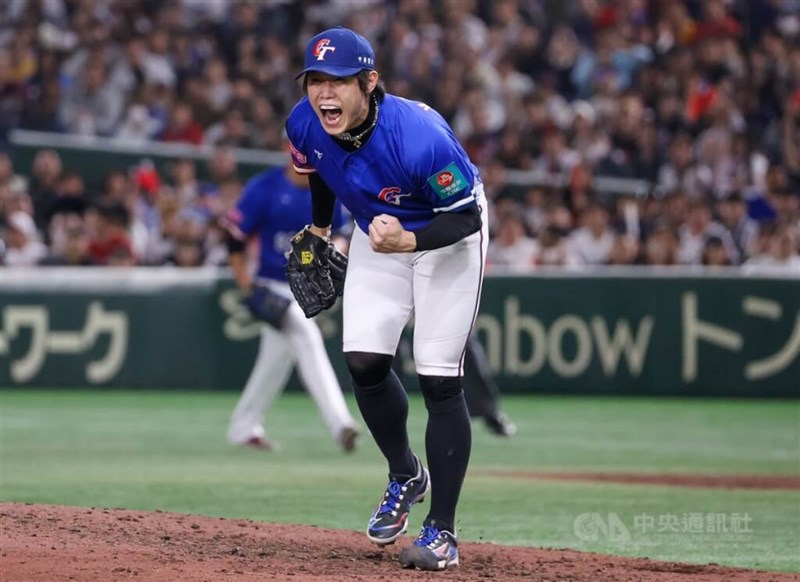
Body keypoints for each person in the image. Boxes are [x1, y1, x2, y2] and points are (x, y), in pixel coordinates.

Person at [286, 27, 488, 571]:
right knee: (364, 362)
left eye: (339, 82)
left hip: (445, 235)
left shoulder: (418, 135)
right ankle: (405, 473)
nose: (325, 94)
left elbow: (466, 216)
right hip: (380, 229)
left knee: (440, 376)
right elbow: (323, 171)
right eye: (316, 81)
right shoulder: (304, 122)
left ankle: (442, 533)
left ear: (370, 82)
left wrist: (412, 241)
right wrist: (322, 228)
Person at [222, 157, 360, 453]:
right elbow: (234, 239)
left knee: (275, 359)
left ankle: (243, 426)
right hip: (273, 285)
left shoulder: (326, 185)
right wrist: (246, 286)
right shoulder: (265, 187)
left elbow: (344, 232)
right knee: (306, 337)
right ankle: (341, 424)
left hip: (308, 283)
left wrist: (333, 250)